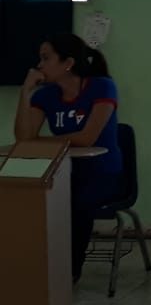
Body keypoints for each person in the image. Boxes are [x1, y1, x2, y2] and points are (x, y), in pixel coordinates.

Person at [13, 33, 123, 284]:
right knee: (32, 196)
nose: (39, 65)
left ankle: (69, 271)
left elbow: (87, 138)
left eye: (46, 58)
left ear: (68, 63)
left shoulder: (102, 86)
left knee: (75, 203)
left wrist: (39, 141)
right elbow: (23, 137)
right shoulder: (45, 95)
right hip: (63, 170)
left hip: (103, 173)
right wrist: (25, 92)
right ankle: (33, 263)